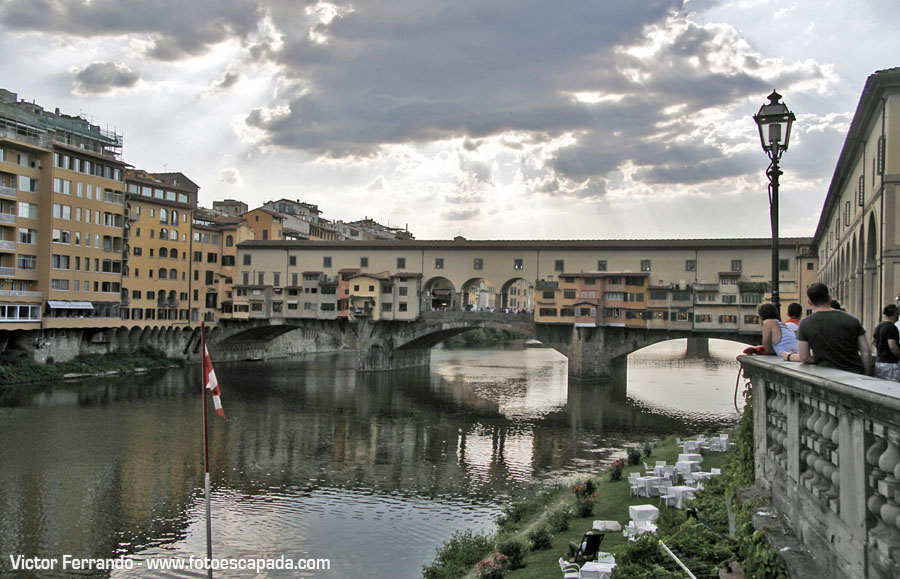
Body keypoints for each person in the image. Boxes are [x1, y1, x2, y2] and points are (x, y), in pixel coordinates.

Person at [783, 282, 871, 375]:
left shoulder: (805, 323)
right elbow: (866, 352)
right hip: (855, 374)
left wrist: (821, 359)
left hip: (827, 375)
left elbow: (804, 357)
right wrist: (866, 375)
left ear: (809, 302)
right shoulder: (852, 319)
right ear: (829, 297)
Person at [872, 304, 900, 381]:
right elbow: (892, 346)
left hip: (880, 362)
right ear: (895, 313)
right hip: (890, 364)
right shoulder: (891, 327)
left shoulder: (879, 326)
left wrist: (881, 349)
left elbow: (874, 342)